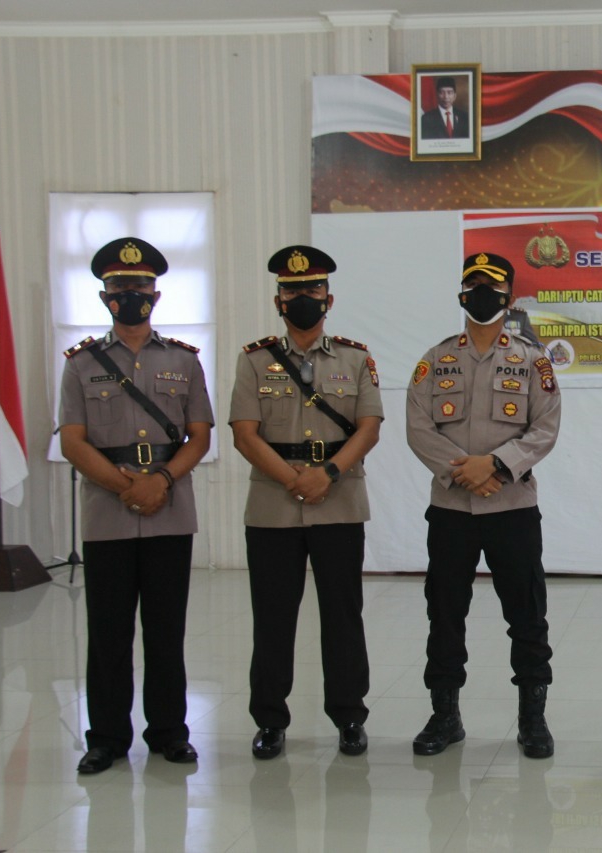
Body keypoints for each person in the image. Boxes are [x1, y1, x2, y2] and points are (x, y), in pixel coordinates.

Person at [59, 237, 213, 774]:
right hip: (108, 514)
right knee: (108, 632)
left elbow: (199, 436)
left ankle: (170, 731)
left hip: (171, 509)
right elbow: (73, 442)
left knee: (167, 630)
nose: (131, 295)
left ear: (156, 293)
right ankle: (105, 737)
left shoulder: (184, 361)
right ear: (105, 295)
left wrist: (161, 480)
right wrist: (128, 487)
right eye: (120, 287)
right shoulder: (81, 365)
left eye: (140, 286)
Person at [406, 252, 561, 759]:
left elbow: (545, 428)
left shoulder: (533, 361)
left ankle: (532, 719)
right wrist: (463, 470)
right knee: (445, 612)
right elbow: (418, 427)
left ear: (509, 298)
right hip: (451, 508)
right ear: (461, 294)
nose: (482, 295)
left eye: (492, 288)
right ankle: (445, 715)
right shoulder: (435, 359)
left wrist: (493, 466)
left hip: (512, 506)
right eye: (473, 286)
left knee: (527, 613)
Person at [230, 245, 382, 759]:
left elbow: (369, 427)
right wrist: (294, 479)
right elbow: (244, 434)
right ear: (278, 300)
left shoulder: (357, 358)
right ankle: (270, 720)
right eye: (292, 291)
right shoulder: (253, 361)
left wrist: (329, 473)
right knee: (273, 617)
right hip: (273, 506)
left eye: (312, 290)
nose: (302, 298)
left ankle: (349, 716)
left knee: (343, 615)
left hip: (338, 502)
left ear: (329, 298)